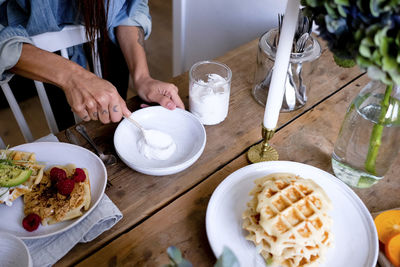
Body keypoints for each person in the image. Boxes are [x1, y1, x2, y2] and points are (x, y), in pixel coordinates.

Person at [0, 0, 184, 129]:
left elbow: (130, 7)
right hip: (39, 56)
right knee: (66, 121)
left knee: (112, 115)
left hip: (111, 43)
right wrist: (72, 77)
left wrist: (142, 77)